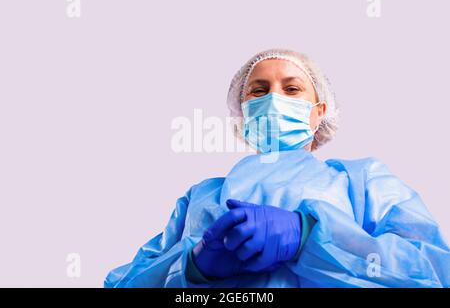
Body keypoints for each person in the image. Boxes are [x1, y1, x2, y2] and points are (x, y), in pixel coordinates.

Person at [104, 49, 450, 287]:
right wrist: (193, 268)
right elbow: (124, 282)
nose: (274, 99)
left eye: (292, 89)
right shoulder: (201, 196)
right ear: (242, 116)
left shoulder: (361, 181)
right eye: (258, 91)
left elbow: (435, 270)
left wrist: (309, 236)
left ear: (319, 112)